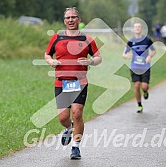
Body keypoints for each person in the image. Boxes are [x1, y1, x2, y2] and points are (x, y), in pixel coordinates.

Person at [44, 7, 102, 159]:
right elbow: (47, 54)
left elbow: (98, 57)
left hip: (80, 82)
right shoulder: (57, 37)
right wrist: (51, 61)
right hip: (61, 83)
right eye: (68, 18)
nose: (70, 20)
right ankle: (69, 128)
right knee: (63, 118)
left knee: (77, 114)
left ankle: (75, 147)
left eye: (73, 17)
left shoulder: (87, 39)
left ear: (79, 19)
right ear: (64, 21)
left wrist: (90, 61)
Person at [122, 22, 156, 113]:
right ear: (133, 29)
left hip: (145, 67)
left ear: (141, 29)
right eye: (136, 27)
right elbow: (123, 54)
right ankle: (139, 105)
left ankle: (145, 91)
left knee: (144, 86)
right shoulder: (131, 41)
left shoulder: (147, 40)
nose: (137, 28)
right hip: (134, 66)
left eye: (139, 27)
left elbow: (154, 51)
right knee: (136, 85)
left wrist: (150, 56)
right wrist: (126, 56)